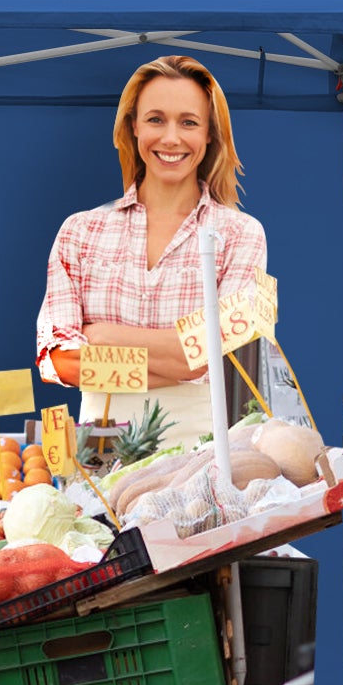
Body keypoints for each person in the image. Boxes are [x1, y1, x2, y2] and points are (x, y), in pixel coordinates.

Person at [36, 54, 267, 444]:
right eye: (156, 119)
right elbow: (58, 361)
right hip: (99, 445)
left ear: (210, 133)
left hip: (203, 450)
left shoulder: (241, 235)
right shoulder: (80, 232)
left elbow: (222, 358)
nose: (171, 138)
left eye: (188, 122)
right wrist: (181, 359)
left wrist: (104, 335)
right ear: (133, 127)